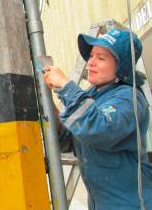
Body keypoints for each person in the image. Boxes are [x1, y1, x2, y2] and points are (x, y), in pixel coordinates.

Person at [43, 28, 152, 209]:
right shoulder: (94, 95)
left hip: (132, 204)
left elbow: (99, 128)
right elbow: (70, 141)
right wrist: (49, 104)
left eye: (101, 58)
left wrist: (66, 86)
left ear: (121, 67)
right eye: (91, 56)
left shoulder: (129, 98)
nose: (90, 63)